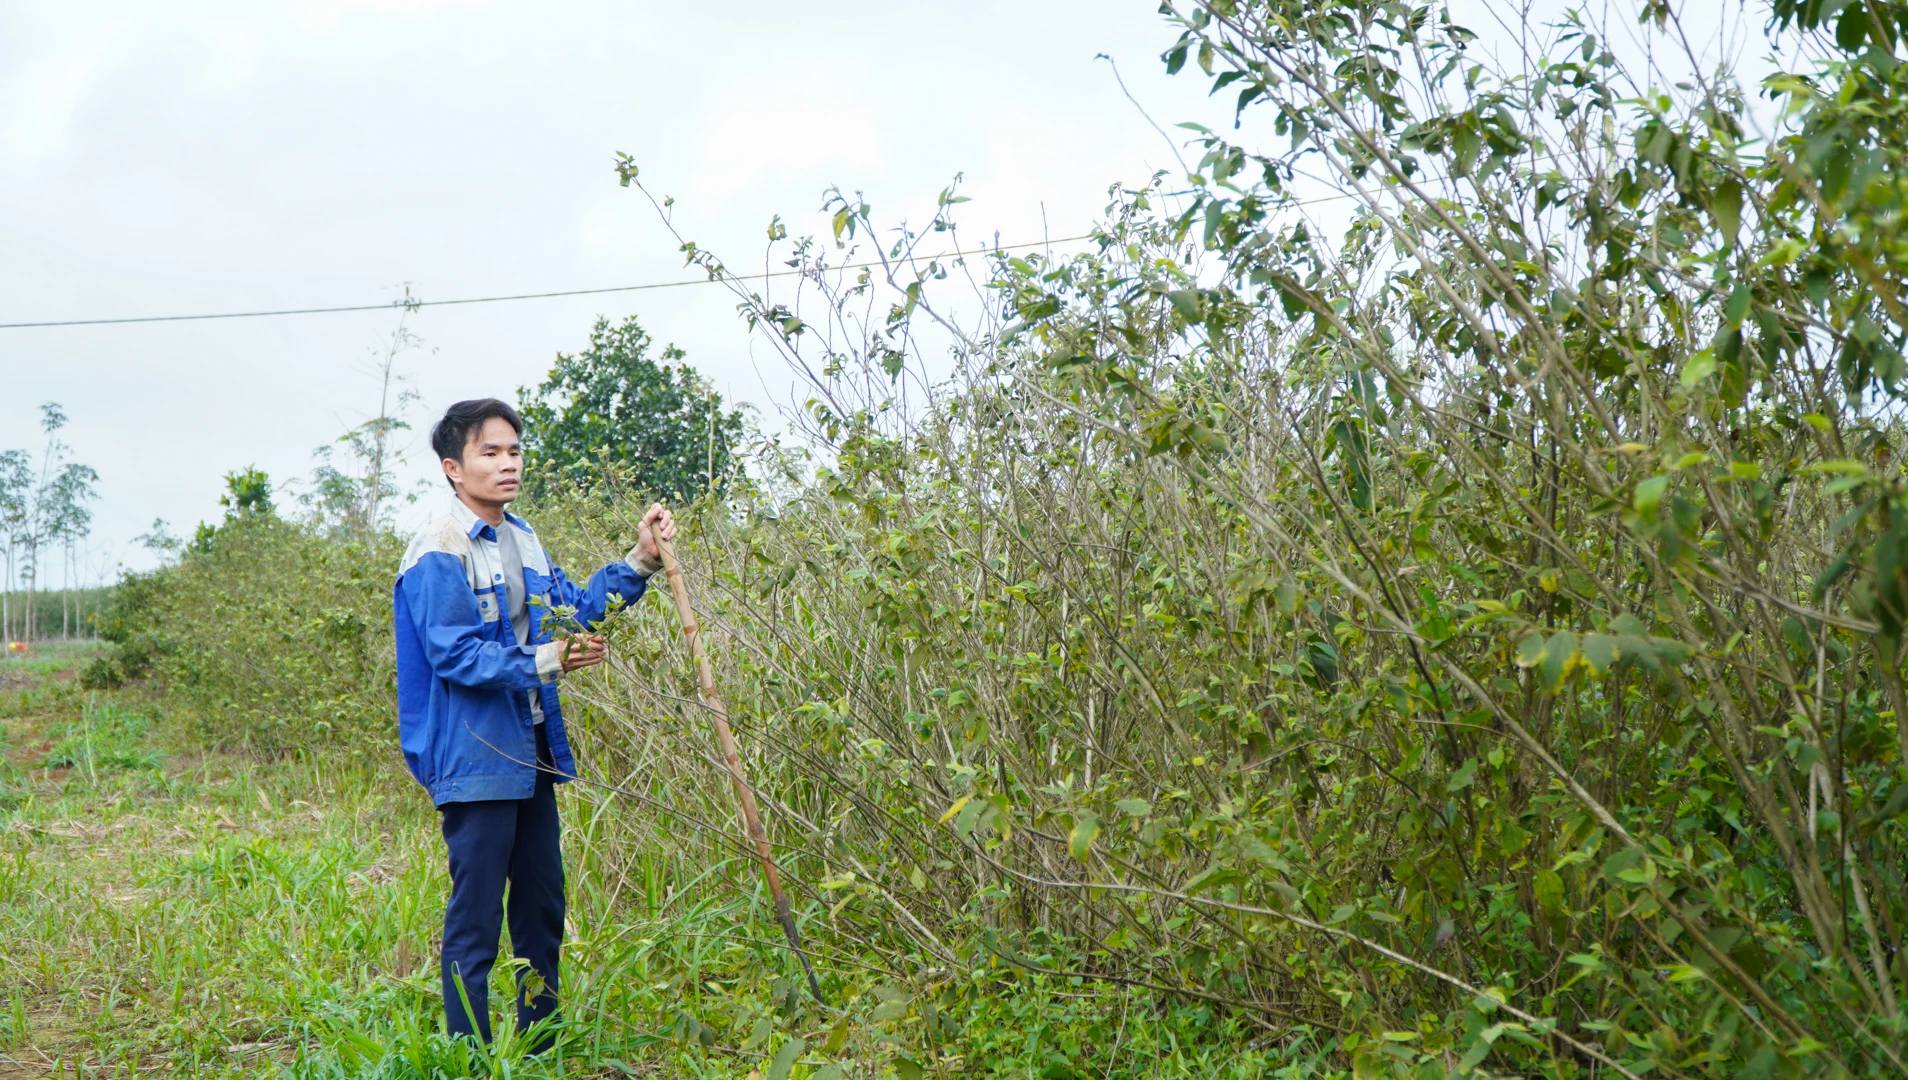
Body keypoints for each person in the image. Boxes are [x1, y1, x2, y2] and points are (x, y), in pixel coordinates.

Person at [392, 397, 675, 1047]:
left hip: (532, 748)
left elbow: (575, 609)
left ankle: (540, 1045)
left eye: (515, 451)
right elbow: (454, 655)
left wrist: (640, 559)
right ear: (453, 468)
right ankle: (469, 1055)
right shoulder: (439, 546)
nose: (508, 464)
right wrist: (551, 658)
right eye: (490, 452)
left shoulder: (523, 538)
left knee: (542, 905)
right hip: (473, 753)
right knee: (476, 917)